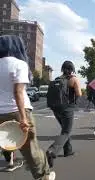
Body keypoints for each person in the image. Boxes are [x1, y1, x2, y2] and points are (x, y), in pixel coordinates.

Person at [0, 35, 56, 179]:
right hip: (17, 112)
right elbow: (18, 92)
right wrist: (24, 118)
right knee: (31, 150)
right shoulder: (20, 64)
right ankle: (43, 176)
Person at [46, 61, 82, 168]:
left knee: (64, 130)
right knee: (66, 131)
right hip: (67, 108)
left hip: (56, 109)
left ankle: (68, 150)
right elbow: (79, 93)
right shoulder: (73, 79)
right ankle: (52, 151)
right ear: (72, 69)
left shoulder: (57, 79)